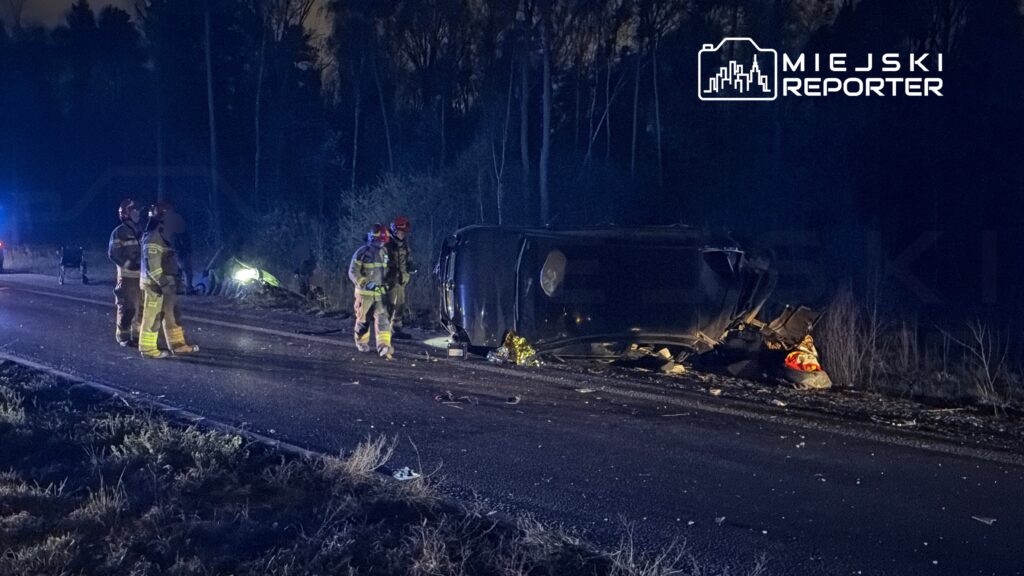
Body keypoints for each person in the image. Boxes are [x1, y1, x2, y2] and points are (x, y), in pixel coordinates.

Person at [138, 201, 199, 359]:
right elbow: (153, 267)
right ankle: (147, 349)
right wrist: (164, 283)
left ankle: (178, 346)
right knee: (152, 316)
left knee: (172, 315)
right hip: (155, 286)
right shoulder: (153, 238)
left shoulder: (165, 237)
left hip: (166, 285)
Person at [348, 224, 393, 358]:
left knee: (383, 319)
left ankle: (384, 346)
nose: (381, 243)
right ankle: (361, 341)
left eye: (383, 241)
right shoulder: (362, 252)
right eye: (379, 240)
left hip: (379, 294)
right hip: (364, 295)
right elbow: (352, 271)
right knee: (363, 320)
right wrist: (364, 283)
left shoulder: (384, 252)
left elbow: (387, 271)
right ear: (372, 238)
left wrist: (388, 284)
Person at [107, 199, 143, 347]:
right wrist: (129, 264)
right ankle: (123, 337)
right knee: (127, 307)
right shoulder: (119, 232)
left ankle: (137, 334)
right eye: (134, 210)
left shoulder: (139, 230)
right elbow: (113, 253)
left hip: (141, 276)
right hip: (127, 276)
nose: (138, 213)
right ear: (127, 213)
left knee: (140, 307)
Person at [385, 216, 415, 339]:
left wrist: (411, 267)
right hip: (389, 280)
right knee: (389, 305)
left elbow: (408, 259)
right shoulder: (387, 244)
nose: (403, 234)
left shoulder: (404, 245)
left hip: (402, 280)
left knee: (400, 305)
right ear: (395, 230)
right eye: (401, 232)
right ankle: (384, 332)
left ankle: (396, 330)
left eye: (404, 232)